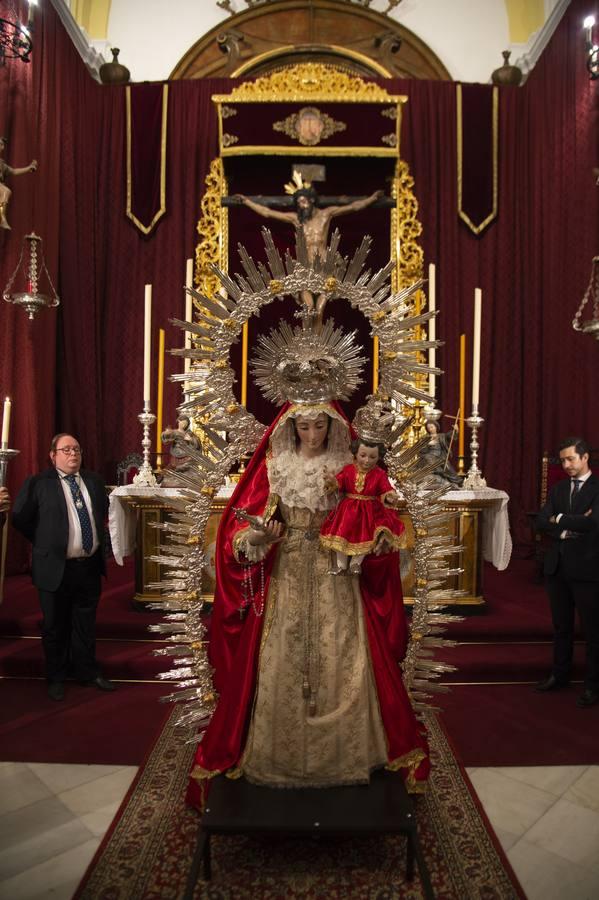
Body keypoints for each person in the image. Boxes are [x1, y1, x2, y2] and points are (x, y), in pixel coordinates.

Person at [187, 402, 429, 806]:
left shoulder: (347, 465)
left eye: (320, 425)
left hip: (338, 576)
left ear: (332, 426)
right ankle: (275, 754)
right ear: (291, 427)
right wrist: (260, 537)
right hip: (287, 573)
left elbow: (371, 513)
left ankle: (347, 754)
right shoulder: (275, 464)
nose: (312, 434)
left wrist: (380, 537)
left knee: (341, 652)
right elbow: (239, 530)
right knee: (283, 653)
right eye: (304, 426)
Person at [12, 434, 115, 701]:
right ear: (53, 455)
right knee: (55, 625)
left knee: (85, 623)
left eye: (77, 449)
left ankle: (87, 672)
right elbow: (20, 519)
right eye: (66, 450)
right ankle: (56, 676)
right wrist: (45, 542)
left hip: (88, 566)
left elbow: (100, 514)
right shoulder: (38, 484)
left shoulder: (94, 481)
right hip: (54, 567)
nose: (73, 454)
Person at [234, 182, 383, 317]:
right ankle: (308, 343)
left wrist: (372, 199)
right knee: (309, 309)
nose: (301, 206)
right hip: (305, 266)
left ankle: (317, 345)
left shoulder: (326, 214)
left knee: (319, 310)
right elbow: (268, 213)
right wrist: (247, 202)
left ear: (311, 200)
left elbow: (353, 207)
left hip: (325, 266)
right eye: (298, 203)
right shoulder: (297, 219)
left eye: (303, 202)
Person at [535, 437, 599, 708]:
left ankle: (593, 685)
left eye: (571, 458)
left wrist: (558, 519)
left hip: (587, 567)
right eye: (562, 460)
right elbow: (540, 520)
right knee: (561, 628)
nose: (566, 464)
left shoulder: (597, 488)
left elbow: (594, 523)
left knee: (593, 631)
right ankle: (559, 675)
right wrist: (570, 525)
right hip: (557, 568)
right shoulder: (559, 488)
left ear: (585, 458)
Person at [320, 437, 404, 575]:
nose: (367, 460)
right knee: (340, 535)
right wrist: (332, 481)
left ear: (378, 457)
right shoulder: (348, 469)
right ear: (355, 453)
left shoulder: (379, 474)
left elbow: (385, 488)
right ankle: (341, 565)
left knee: (366, 537)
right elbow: (339, 482)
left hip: (369, 512)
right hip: (347, 510)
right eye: (363, 455)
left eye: (372, 457)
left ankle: (355, 563)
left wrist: (389, 495)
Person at [0, 136, 37, 230]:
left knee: (6, 192)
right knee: (5, 191)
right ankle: (1, 217)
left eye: (2, 144)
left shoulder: (1, 164)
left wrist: (28, 168)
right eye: (0, 144)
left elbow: (13, 171)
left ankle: (1, 216)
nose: (1, 146)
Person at [419, 419, 463, 486]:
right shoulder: (426, 438)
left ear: (436, 426)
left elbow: (451, 436)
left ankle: (457, 481)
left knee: (448, 468)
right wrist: (428, 444)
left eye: (432, 427)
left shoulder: (442, 436)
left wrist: (456, 430)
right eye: (429, 428)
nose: (431, 429)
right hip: (430, 455)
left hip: (441, 456)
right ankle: (436, 477)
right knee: (429, 459)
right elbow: (421, 450)